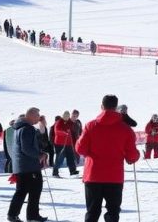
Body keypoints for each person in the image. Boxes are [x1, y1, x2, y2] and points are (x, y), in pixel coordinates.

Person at [75, 94, 140, 222]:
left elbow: (80, 149)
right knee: (113, 212)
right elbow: (131, 156)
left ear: (101, 107)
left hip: (93, 175)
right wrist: (136, 155)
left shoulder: (90, 126)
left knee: (92, 212)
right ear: (116, 108)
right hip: (114, 177)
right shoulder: (125, 129)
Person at [7, 108, 48, 222]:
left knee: (23, 191)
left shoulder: (19, 127)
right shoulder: (27, 128)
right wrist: (40, 155)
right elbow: (26, 148)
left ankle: (19, 215)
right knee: (32, 190)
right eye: (37, 115)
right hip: (28, 166)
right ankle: (27, 215)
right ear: (31, 115)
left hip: (22, 165)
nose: (38, 117)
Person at [52, 110, 79, 177]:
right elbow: (57, 131)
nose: (67, 117)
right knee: (59, 157)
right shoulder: (59, 122)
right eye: (66, 116)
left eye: (68, 116)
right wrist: (65, 133)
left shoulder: (69, 122)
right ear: (63, 116)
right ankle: (55, 172)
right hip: (59, 143)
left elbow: (72, 126)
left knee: (71, 157)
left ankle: (72, 171)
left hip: (68, 143)